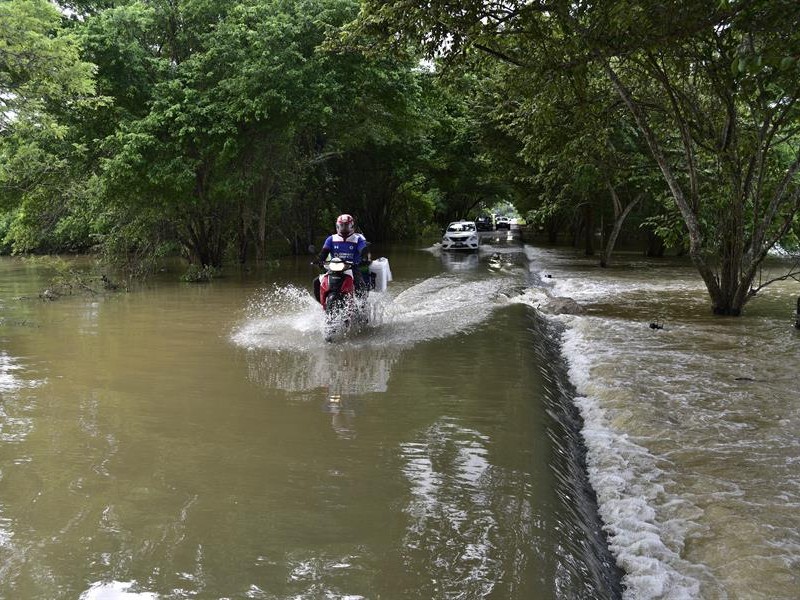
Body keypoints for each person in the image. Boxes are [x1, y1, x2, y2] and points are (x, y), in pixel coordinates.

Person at [313, 214, 370, 302]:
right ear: (337, 226)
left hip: (352, 267)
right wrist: (319, 260)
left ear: (352, 226)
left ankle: (362, 307)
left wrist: (364, 258)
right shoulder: (331, 239)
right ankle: (322, 304)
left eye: (347, 226)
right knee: (316, 282)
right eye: (342, 226)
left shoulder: (357, 239)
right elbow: (324, 252)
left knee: (360, 284)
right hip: (334, 267)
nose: (344, 228)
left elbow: (363, 249)